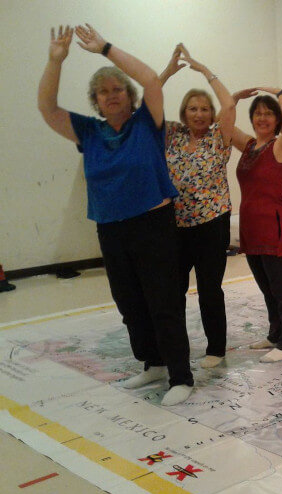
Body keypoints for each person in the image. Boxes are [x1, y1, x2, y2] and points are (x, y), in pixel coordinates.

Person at [38, 25, 193, 406]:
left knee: (163, 302)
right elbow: (47, 108)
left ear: (129, 95)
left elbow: (153, 79)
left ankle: (181, 376)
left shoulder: (146, 123)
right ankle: (153, 364)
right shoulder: (89, 132)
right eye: (103, 91)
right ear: (95, 100)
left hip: (153, 225)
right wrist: (55, 61)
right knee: (130, 304)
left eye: (117, 89)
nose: (111, 95)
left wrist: (105, 48)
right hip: (111, 230)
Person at [159, 44, 235, 369]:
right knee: (173, 292)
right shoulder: (173, 135)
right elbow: (143, 113)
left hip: (212, 225)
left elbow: (229, 103)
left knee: (208, 289)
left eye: (205, 108)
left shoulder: (219, 136)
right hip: (175, 226)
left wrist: (205, 71)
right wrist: (166, 73)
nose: (200, 114)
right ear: (184, 112)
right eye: (193, 108)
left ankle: (216, 348)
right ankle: (175, 349)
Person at [232, 86, 282, 362]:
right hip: (251, 228)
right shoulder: (249, 146)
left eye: (268, 114)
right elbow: (222, 123)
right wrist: (235, 98)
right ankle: (276, 333)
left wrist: (281, 93)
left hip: (274, 226)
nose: (262, 118)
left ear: (276, 120)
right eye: (258, 113)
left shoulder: (281, 145)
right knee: (267, 287)